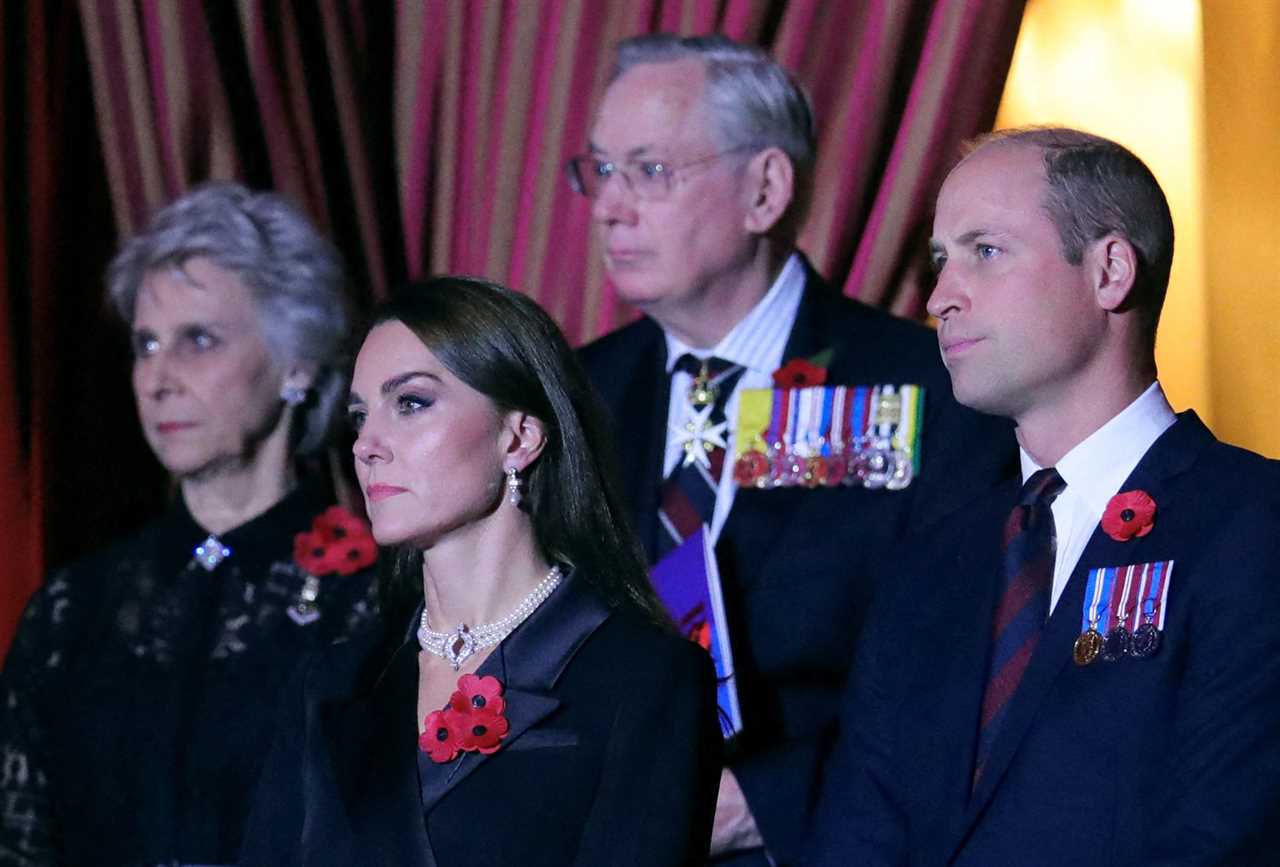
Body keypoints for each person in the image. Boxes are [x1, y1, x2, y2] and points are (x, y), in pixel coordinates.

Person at [571, 34, 1015, 864]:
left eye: (650, 171)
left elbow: (961, 674)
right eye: (599, 170)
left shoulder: (929, 390)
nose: (609, 206)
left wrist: (764, 804)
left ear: (766, 189)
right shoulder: (574, 393)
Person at [806, 128, 1280, 865]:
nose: (939, 297)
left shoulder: (1254, 523)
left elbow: (1225, 832)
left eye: (984, 251)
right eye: (939, 261)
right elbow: (857, 834)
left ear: (1110, 272)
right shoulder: (931, 561)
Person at [240, 276, 721, 867]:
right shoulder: (329, 685)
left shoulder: (644, 680)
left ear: (518, 438)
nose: (367, 443)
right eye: (361, 416)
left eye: (411, 403)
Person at [0, 183, 380, 866]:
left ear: (296, 363)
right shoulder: (75, 608)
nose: (158, 377)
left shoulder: (378, 599)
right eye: (146, 344)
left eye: (198, 340)